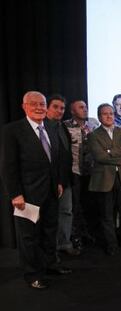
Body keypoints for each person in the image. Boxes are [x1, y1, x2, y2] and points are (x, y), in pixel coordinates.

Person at [0, 91, 71, 290]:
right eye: (34, 104)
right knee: (28, 236)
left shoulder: (50, 127)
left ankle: (50, 264)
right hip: (27, 195)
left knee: (50, 231)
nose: (39, 107)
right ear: (24, 106)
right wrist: (15, 194)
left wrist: (58, 183)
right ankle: (32, 274)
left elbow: (55, 161)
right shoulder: (12, 130)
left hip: (51, 192)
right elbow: (8, 166)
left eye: (42, 103)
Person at [88, 104, 121, 255]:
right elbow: (99, 156)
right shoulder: (93, 135)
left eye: (111, 113)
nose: (109, 116)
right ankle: (111, 244)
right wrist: (119, 158)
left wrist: (110, 151)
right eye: (105, 114)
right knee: (106, 214)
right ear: (99, 116)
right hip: (104, 180)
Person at [46, 94, 80, 256]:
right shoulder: (42, 127)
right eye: (55, 107)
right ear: (47, 107)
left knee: (66, 212)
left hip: (65, 178)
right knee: (50, 216)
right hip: (49, 181)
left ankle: (64, 243)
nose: (59, 111)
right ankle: (51, 249)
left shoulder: (62, 126)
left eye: (62, 108)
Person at [64, 100, 99, 250]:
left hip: (92, 171)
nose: (85, 109)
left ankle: (88, 233)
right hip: (75, 171)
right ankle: (75, 236)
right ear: (72, 111)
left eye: (86, 107)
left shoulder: (93, 124)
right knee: (75, 205)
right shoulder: (65, 126)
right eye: (81, 107)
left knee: (90, 204)